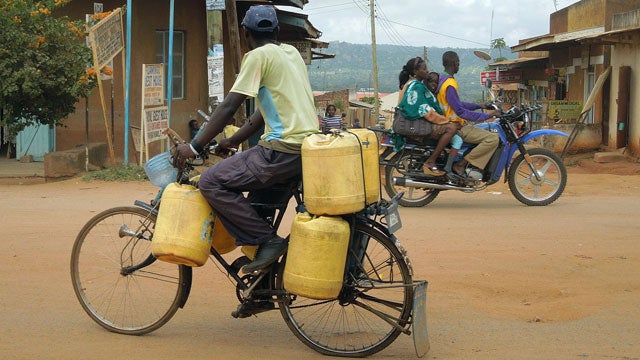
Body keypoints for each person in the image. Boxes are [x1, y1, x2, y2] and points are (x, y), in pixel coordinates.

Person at [172, 5, 318, 275]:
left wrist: (194, 146)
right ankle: (262, 283)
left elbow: (229, 106)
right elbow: (262, 116)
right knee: (256, 210)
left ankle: (268, 242)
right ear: (276, 30)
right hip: (305, 152)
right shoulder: (291, 54)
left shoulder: (256, 56)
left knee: (211, 181)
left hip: (279, 152)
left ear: (246, 34)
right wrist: (229, 142)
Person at [436, 51, 500, 177]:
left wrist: (479, 105)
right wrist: (488, 115)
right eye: (458, 63)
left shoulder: (442, 79)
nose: (458, 66)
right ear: (455, 63)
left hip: (447, 122)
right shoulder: (450, 84)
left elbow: (456, 103)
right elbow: (460, 111)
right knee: (493, 139)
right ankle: (461, 164)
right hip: (455, 125)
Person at [397, 56, 462, 176]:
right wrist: (446, 121)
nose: (427, 71)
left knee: (457, 139)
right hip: (417, 125)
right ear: (416, 71)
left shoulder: (411, 84)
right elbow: (426, 111)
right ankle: (431, 161)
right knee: (451, 129)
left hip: (416, 123)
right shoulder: (416, 87)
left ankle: (447, 166)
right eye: (424, 69)